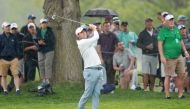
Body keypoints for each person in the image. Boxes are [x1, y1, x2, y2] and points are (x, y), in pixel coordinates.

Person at [158, 14, 189, 99]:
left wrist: (185, 51)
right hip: (169, 57)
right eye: (170, 20)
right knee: (168, 76)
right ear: (166, 22)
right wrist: (162, 56)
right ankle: (167, 95)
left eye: (172, 20)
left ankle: (180, 94)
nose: (172, 22)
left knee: (181, 74)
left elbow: (180, 41)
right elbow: (160, 44)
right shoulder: (163, 31)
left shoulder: (176, 29)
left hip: (179, 56)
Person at [76, 24, 103, 109]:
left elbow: (94, 39)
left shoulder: (88, 42)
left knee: (96, 94)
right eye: (81, 32)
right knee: (87, 94)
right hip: (91, 71)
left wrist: (93, 29)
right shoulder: (81, 43)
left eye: (84, 31)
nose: (83, 33)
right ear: (78, 35)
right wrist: (94, 29)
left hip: (99, 70)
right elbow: (96, 37)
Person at [137, 18, 158, 92]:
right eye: (148, 23)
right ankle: (145, 89)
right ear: (145, 24)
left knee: (153, 73)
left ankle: (152, 89)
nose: (149, 25)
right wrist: (146, 47)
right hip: (145, 55)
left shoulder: (157, 32)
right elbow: (138, 44)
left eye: (151, 23)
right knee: (145, 73)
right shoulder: (142, 33)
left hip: (155, 55)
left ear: (152, 23)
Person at [0, 22, 21, 96]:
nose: (8, 28)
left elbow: (17, 47)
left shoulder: (14, 37)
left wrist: (17, 57)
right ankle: (5, 91)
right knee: (4, 75)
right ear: (3, 28)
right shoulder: (0, 37)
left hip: (13, 59)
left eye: (9, 26)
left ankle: (17, 90)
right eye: (6, 27)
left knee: (16, 74)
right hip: (3, 59)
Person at [6, 23, 25, 91]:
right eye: (12, 29)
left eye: (15, 28)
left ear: (17, 29)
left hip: (20, 57)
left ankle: (19, 87)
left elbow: (24, 46)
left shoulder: (22, 36)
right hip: (11, 58)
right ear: (11, 30)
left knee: (20, 73)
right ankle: (11, 87)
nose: (14, 30)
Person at [37, 18, 55, 86]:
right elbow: (36, 40)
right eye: (43, 23)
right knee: (41, 64)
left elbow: (52, 41)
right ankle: (43, 79)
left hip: (49, 49)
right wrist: (39, 42)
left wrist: (44, 42)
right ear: (40, 24)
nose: (44, 24)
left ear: (47, 24)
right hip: (40, 50)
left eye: (45, 23)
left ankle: (47, 80)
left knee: (47, 64)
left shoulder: (50, 31)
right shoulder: (38, 31)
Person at [178, 25, 190, 92]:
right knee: (183, 74)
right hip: (181, 58)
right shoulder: (177, 38)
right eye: (181, 29)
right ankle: (184, 89)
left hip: (188, 59)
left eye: (184, 29)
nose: (183, 30)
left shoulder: (189, 37)